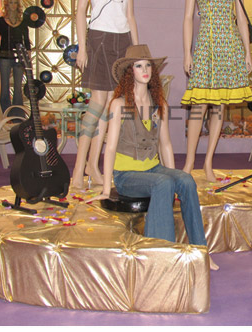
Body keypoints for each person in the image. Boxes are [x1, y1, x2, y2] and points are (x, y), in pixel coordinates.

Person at [91, 45, 218, 270]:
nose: (145, 70)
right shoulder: (119, 104)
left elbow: (165, 144)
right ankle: (161, 257)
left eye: (148, 65)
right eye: (139, 66)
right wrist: (106, 187)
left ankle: (201, 252)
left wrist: (175, 175)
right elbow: (109, 149)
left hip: (153, 169)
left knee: (186, 180)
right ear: (130, 72)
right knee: (163, 183)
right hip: (127, 175)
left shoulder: (160, 105)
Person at [181, 0, 252, 182]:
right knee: (198, 106)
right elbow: (188, 18)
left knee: (220, 107)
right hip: (206, 46)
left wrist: (247, 52)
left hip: (229, 47)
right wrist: (187, 52)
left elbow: (241, 18)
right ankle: (189, 163)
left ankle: (208, 162)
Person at [73, 0, 139, 189]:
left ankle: (93, 166)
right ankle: (78, 171)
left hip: (122, 41)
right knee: (97, 104)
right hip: (99, 38)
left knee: (111, 107)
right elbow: (80, 11)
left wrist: (137, 52)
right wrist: (82, 47)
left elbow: (130, 16)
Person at [0, 0, 31, 116]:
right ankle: (4, 115)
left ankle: (18, 116)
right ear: (6, 5)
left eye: (15, 3)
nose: (13, 5)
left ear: (18, 5)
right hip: (4, 57)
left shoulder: (23, 22)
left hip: (19, 58)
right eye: (11, 3)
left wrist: (28, 60)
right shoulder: (0, 21)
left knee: (18, 88)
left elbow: (27, 43)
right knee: (4, 87)